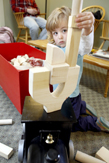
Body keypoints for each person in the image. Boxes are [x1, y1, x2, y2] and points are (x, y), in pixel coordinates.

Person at [46, 6, 109, 132]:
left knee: (69, 125)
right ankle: (82, 107)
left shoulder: (75, 47)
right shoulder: (55, 47)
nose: (60, 37)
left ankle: (94, 123)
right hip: (61, 94)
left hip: (70, 97)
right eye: (55, 33)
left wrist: (88, 28)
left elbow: (86, 44)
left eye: (64, 30)